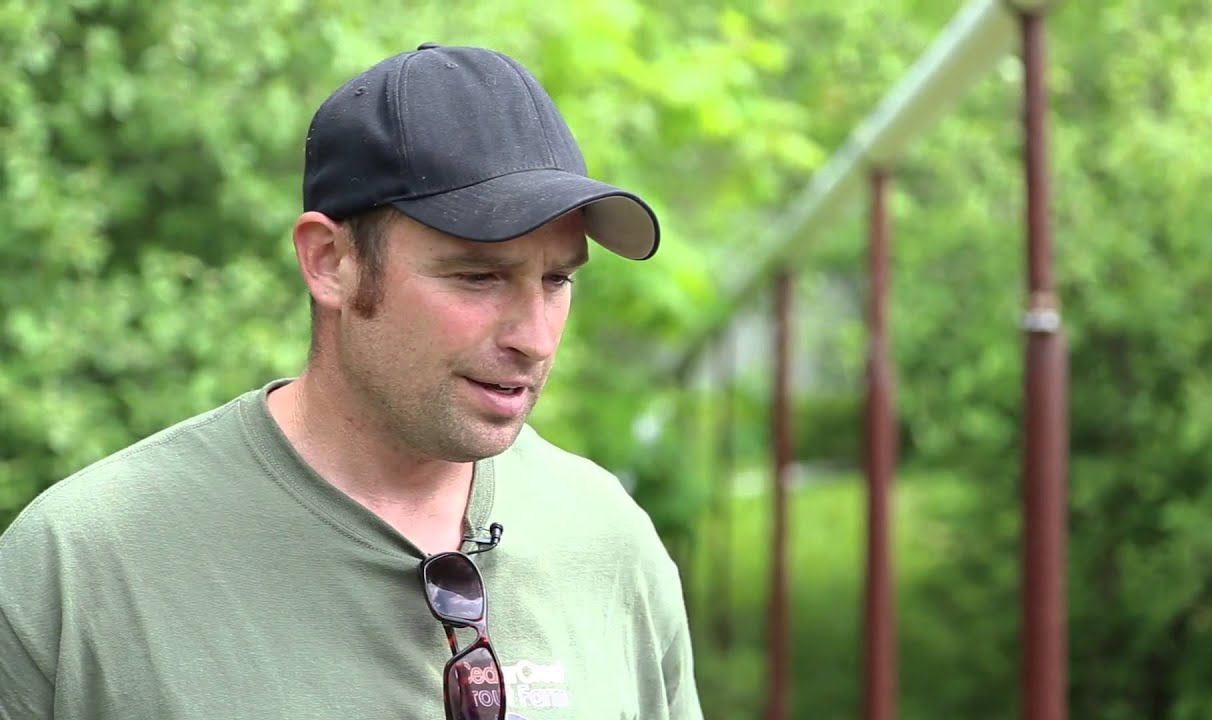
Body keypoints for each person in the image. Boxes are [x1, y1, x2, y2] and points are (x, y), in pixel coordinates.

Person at [0, 42, 703, 720]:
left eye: (557, 279)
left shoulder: (607, 538)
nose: (535, 337)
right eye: (478, 276)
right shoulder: (77, 566)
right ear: (329, 261)